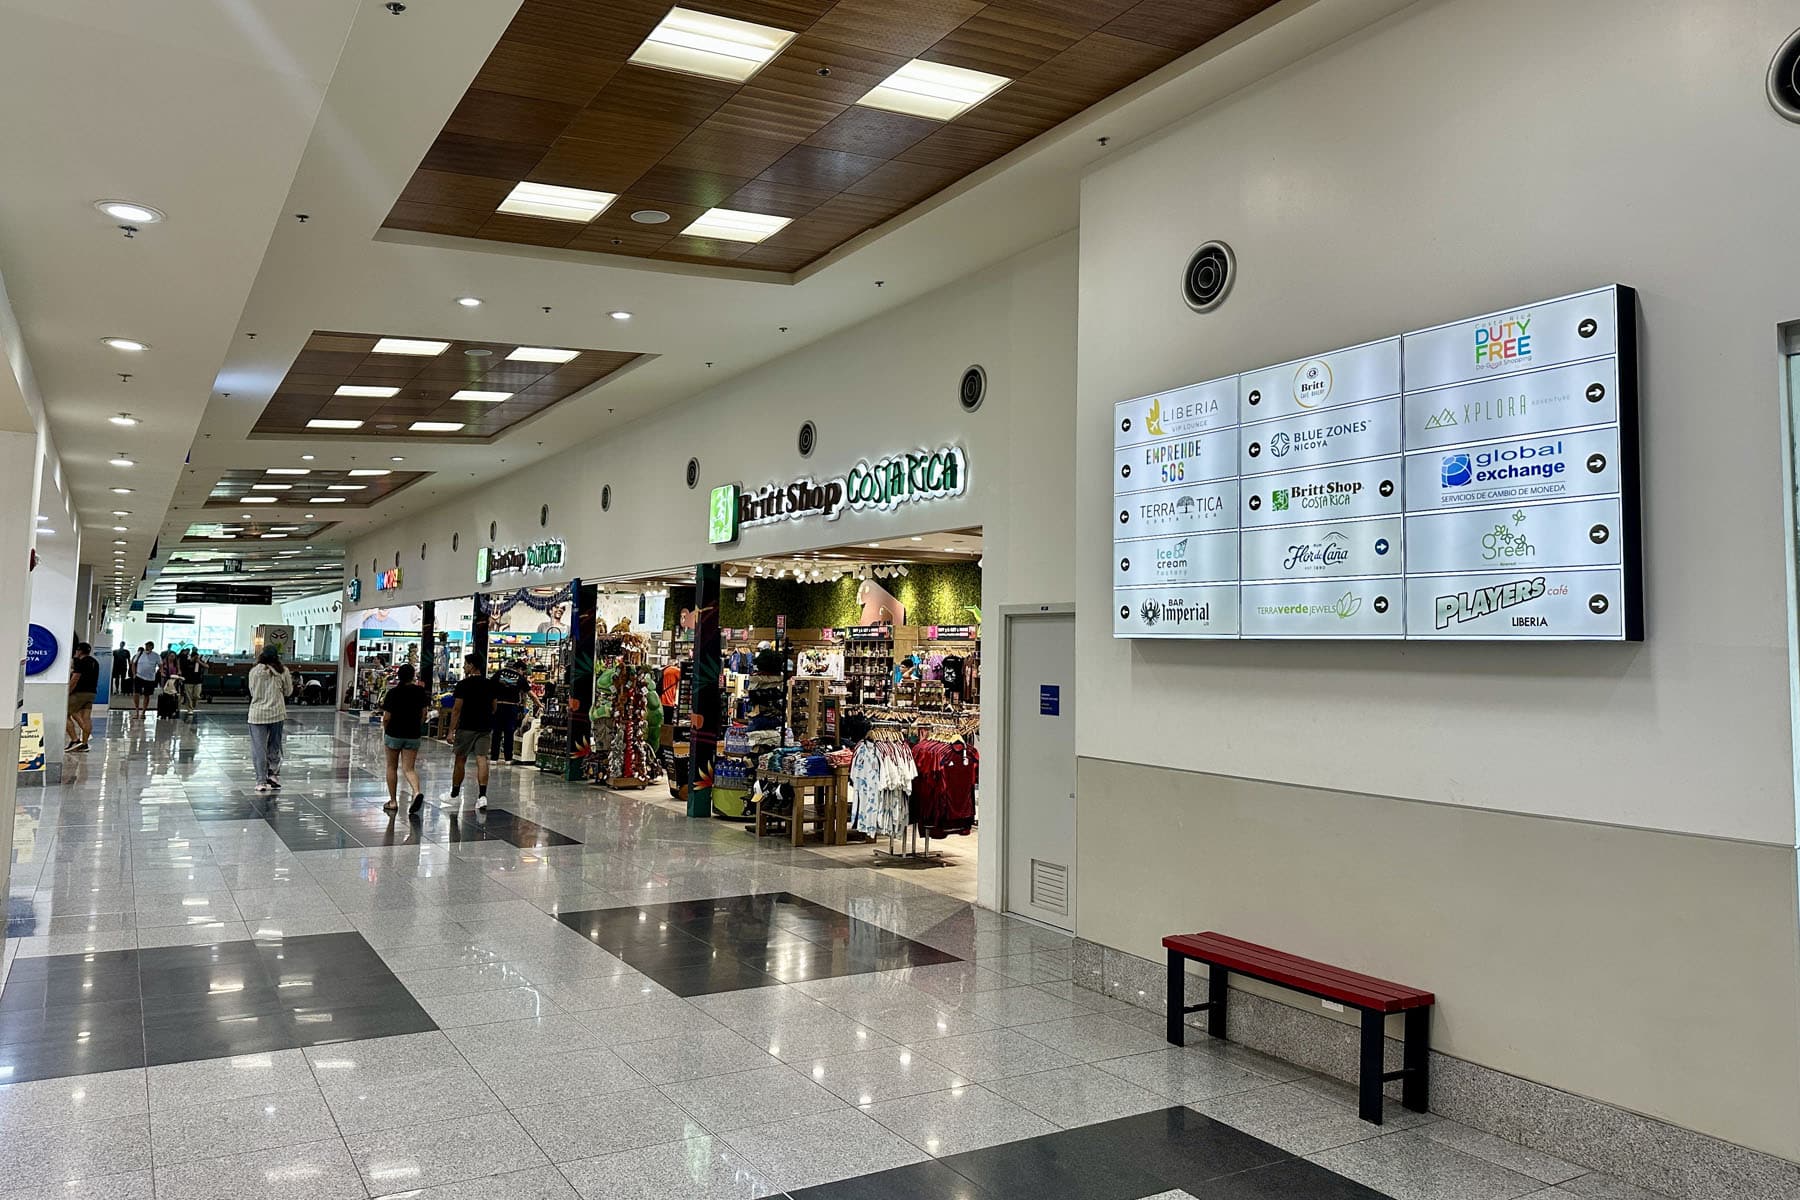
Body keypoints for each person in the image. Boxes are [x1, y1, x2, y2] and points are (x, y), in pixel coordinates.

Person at [442, 653, 492, 810]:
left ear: (471, 666)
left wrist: (451, 731)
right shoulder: (489, 684)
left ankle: (455, 794)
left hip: (466, 727)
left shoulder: (463, 685)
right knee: (482, 759)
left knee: (460, 759)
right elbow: (494, 706)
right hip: (484, 726)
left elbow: (456, 709)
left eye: (465, 664)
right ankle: (482, 796)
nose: (464, 667)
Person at [381, 663, 430, 817]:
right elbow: (424, 714)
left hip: (394, 733)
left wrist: (385, 729)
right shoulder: (420, 692)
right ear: (413, 676)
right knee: (409, 768)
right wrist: (418, 726)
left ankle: (393, 802)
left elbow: (387, 717)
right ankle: (416, 793)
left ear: (399, 676)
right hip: (413, 734)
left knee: (391, 767)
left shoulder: (393, 693)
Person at [247, 647, 293, 793]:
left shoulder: (254, 671)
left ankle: (260, 781)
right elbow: (289, 691)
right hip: (277, 713)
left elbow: (252, 691)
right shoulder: (283, 671)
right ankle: (273, 774)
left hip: (257, 714)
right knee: (275, 745)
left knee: (259, 748)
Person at [491, 657, 528, 765]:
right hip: (511, 707)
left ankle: (494, 758)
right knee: (509, 733)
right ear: (519, 668)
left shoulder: (499, 673)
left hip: (498, 705)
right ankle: (508, 758)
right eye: (523, 671)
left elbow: (490, 688)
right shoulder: (520, 678)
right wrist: (539, 704)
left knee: (496, 733)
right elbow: (529, 693)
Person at [66, 641, 97, 753]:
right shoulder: (94, 662)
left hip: (79, 693)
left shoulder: (81, 662)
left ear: (79, 651)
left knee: (64, 714)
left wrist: (67, 692)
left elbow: (75, 679)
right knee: (86, 718)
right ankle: (84, 744)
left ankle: (75, 740)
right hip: (91, 693)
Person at [130, 642, 159, 713]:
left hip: (150, 678)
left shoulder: (156, 655)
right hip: (139, 676)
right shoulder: (139, 654)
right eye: (146, 646)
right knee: (136, 693)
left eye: (149, 646)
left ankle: (143, 711)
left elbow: (160, 664)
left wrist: (160, 671)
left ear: (152, 647)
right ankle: (136, 710)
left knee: (147, 694)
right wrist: (134, 674)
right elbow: (133, 663)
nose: (147, 648)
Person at [179, 648, 204, 714]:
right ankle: (189, 709)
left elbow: (207, 666)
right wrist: (191, 660)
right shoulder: (186, 660)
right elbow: (182, 666)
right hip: (188, 681)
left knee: (196, 695)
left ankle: (193, 705)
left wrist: (199, 662)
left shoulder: (199, 662)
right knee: (188, 696)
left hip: (198, 681)